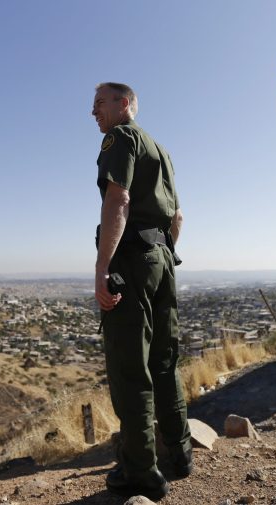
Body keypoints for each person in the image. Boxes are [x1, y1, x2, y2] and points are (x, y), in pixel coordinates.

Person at [92, 82, 192, 501]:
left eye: (100, 104)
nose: (94, 113)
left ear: (125, 104)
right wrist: (163, 255)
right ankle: (180, 450)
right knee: (165, 358)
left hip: (133, 260)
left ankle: (140, 472)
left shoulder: (123, 138)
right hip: (163, 261)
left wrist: (102, 265)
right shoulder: (161, 151)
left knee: (131, 366)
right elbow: (179, 217)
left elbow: (119, 198)